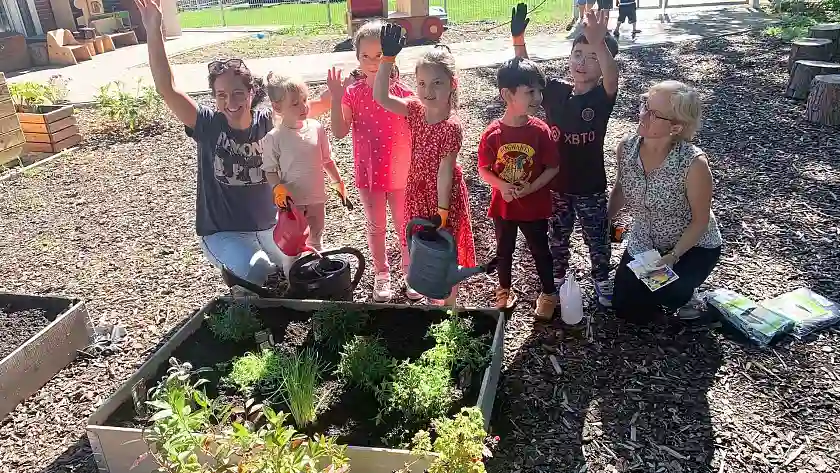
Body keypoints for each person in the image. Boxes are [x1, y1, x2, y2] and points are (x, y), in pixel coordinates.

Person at [134, 0, 331, 286]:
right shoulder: (207, 124)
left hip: (270, 226)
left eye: (238, 93)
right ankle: (236, 282)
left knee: (301, 268)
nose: (230, 102)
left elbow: (313, 106)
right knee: (261, 274)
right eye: (221, 94)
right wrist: (154, 28)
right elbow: (167, 88)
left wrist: (352, 84)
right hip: (223, 232)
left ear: (252, 92)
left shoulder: (269, 122)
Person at [512, 4, 619, 308]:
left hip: (591, 187)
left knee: (597, 238)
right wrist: (519, 38)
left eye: (592, 57)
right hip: (556, 184)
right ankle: (556, 278)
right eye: (577, 55)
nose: (582, 63)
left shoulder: (601, 97)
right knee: (557, 237)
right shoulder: (556, 92)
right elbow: (527, 76)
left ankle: (601, 279)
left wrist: (598, 40)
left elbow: (613, 77)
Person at [373, 24, 475, 307]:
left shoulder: (451, 126)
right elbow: (380, 97)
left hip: (444, 196)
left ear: (452, 83)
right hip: (418, 190)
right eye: (421, 84)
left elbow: (445, 171)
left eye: (437, 83)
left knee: (446, 246)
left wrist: (442, 211)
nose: (427, 91)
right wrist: (387, 59)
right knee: (422, 246)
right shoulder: (415, 110)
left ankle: (450, 304)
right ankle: (432, 298)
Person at [608, 80, 722, 323]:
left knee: (668, 294)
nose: (642, 114)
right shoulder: (626, 148)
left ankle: (690, 297)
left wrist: (672, 256)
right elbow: (620, 188)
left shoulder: (694, 164)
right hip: (646, 239)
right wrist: (604, 220)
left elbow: (700, 221)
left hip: (691, 246)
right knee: (625, 308)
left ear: (676, 127)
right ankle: (662, 290)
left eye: (653, 113)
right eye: (644, 106)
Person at [327, 20, 416, 303]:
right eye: (365, 56)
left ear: (391, 54)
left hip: (402, 174)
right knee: (376, 226)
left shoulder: (403, 94)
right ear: (357, 57)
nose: (372, 62)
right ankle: (381, 275)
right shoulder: (353, 93)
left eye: (379, 55)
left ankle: (410, 273)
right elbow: (340, 132)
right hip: (370, 174)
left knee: (405, 225)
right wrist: (336, 98)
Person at [477, 57, 560, 319]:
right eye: (530, 91)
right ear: (507, 95)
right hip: (504, 206)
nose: (538, 97)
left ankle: (548, 293)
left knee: (540, 250)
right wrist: (502, 186)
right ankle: (503, 289)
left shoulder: (540, 131)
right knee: (504, 250)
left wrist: (531, 187)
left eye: (539, 90)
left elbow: (553, 167)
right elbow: (483, 169)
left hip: (534, 207)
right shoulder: (493, 134)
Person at [261, 72, 346, 273]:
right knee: (293, 247)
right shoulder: (275, 138)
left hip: (316, 197)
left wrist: (338, 182)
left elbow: (327, 159)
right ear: (277, 107)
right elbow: (269, 170)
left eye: (305, 100)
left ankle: (316, 276)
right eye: (295, 103)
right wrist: (278, 188)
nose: (304, 107)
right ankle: (293, 282)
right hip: (292, 204)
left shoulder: (317, 128)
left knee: (316, 238)